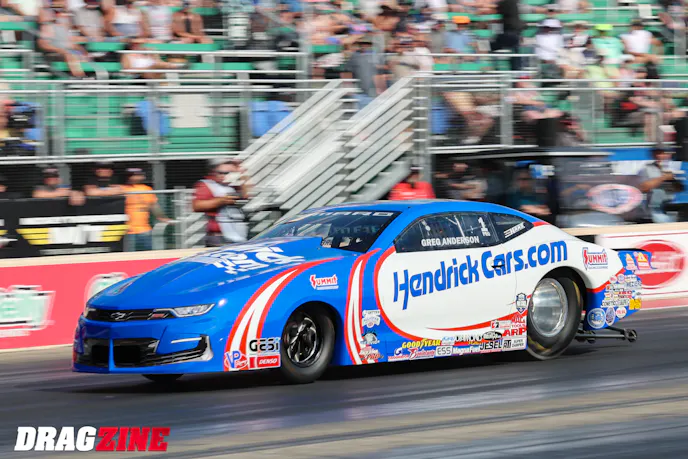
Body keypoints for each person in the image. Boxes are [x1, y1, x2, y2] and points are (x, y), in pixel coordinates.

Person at [192, 159, 249, 247]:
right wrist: (220, 201)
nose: (223, 176)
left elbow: (246, 196)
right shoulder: (207, 184)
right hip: (219, 236)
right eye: (221, 173)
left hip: (238, 234)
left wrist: (243, 176)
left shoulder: (234, 185)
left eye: (228, 173)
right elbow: (197, 206)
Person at [38, 3, 91, 78]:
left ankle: (90, 76)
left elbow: (70, 43)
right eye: (59, 11)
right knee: (70, 55)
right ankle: (80, 78)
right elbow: (43, 44)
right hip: (55, 54)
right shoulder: (48, 27)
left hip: (68, 52)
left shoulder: (64, 28)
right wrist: (60, 50)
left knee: (84, 55)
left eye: (64, 11)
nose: (64, 14)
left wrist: (82, 50)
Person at [122, 168, 169, 251]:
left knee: (149, 253)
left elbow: (153, 205)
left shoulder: (147, 189)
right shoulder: (122, 189)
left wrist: (161, 217)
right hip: (128, 230)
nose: (134, 177)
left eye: (137, 175)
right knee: (129, 254)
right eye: (132, 175)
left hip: (145, 229)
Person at [638, 147, 682, 223]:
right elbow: (643, 187)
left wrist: (674, 179)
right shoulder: (646, 168)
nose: (660, 156)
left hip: (671, 206)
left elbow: (680, 189)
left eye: (663, 153)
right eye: (657, 153)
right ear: (653, 155)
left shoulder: (674, 168)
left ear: (669, 155)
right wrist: (663, 178)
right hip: (654, 209)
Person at [493, 0, 523, 71]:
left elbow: (495, 8)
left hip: (510, 32)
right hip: (514, 32)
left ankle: (516, 69)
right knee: (515, 50)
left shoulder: (507, 2)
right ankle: (516, 69)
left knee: (490, 45)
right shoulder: (514, 3)